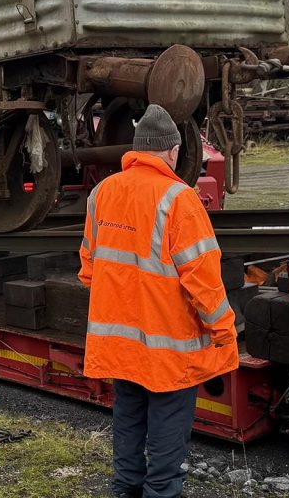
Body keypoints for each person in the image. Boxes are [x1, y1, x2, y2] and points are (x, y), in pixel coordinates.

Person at [78, 104, 238, 498]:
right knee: (167, 434)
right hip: (168, 348)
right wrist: (224, 334)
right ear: (171, 151)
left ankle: (125, 490)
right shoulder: (180, 199)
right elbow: (203, 280)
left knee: (129, 418)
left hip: (121, 345)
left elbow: (88, 269)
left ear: (138, 150)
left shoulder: (101, 194)